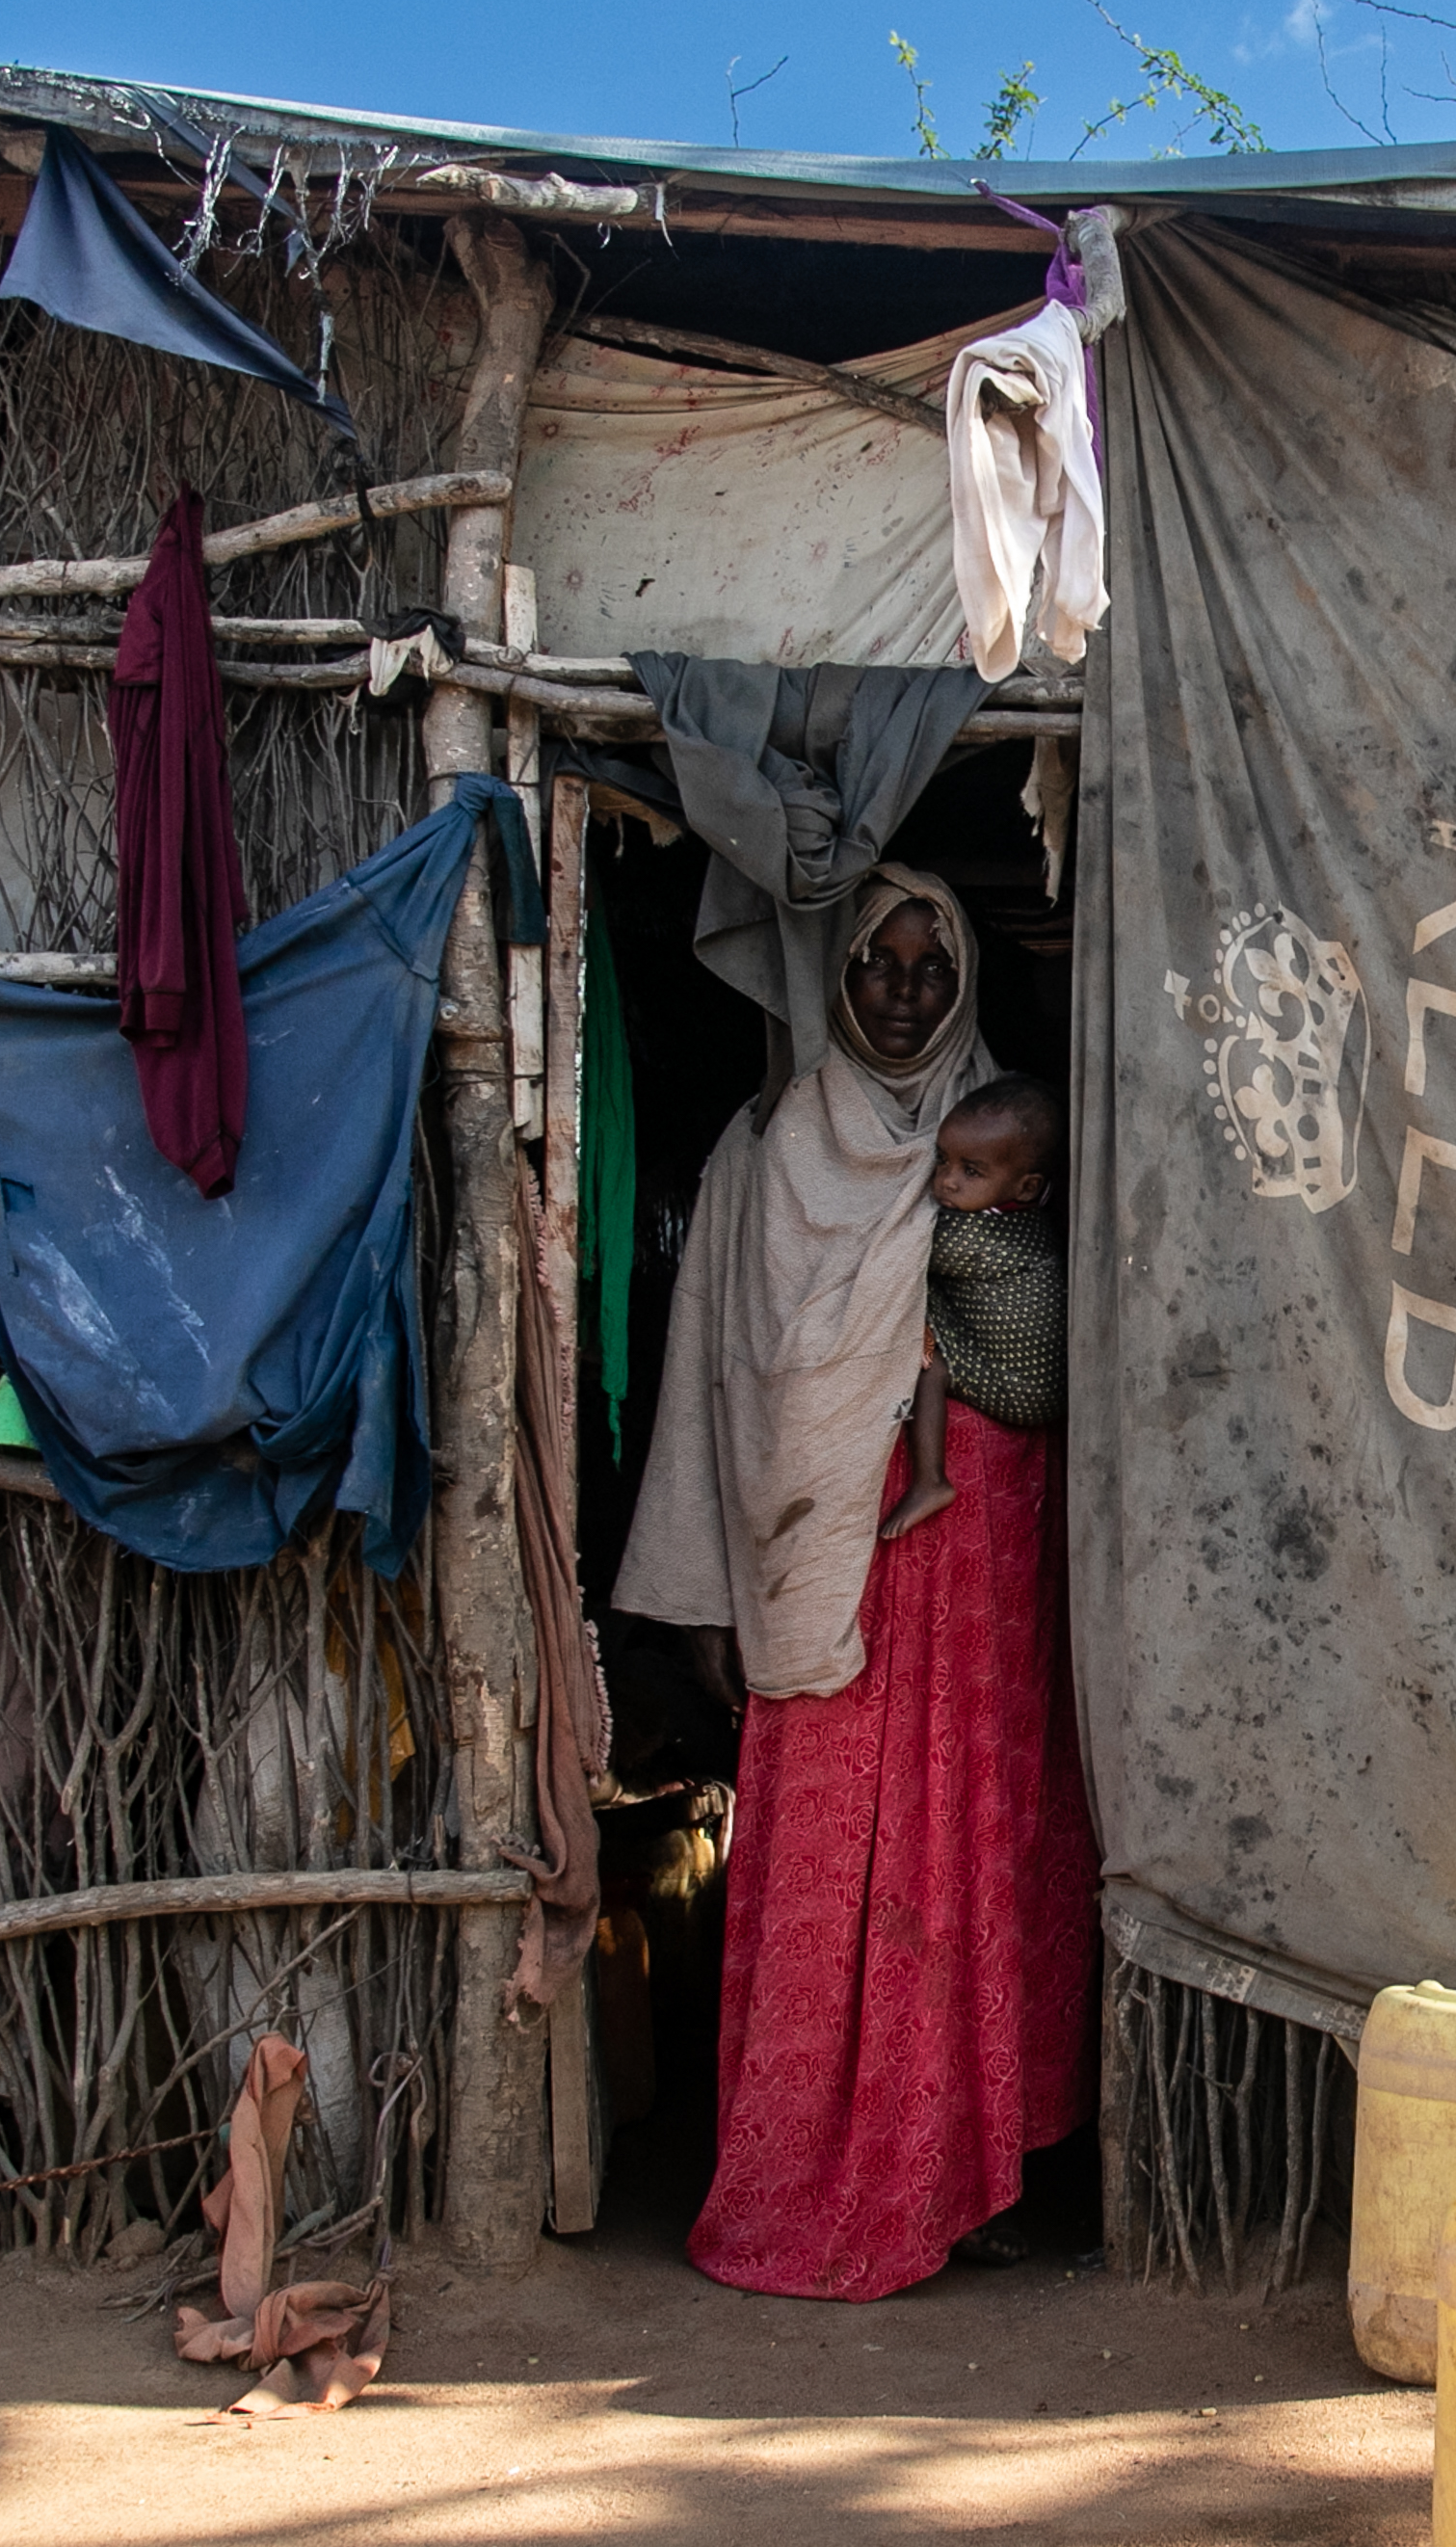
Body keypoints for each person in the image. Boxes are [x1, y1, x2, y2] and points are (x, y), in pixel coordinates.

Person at [614, 866, 1097, 2300]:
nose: (903, 990)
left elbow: (1057, 1357)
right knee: (828, 1867)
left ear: (964, 984)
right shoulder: (769, 1151)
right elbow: (714, 1381)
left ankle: (972, 2178)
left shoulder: (1014, 1133)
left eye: (929, 968)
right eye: (878, 966)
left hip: (989, 1564)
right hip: (825, 1569)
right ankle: (803, 2181)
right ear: (834, 978)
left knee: (976, 1855)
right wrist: (703, 1593)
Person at [885, 1075, 1065, 1542]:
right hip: (1029, 1376)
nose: (946, 1180)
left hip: (1022, 1388)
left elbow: (901, 1251)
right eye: (942, 1160)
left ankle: (930, 1481)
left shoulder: (971, 1237)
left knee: (931, 1367)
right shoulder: (1023, 1217)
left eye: (972, 1171)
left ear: (1025, 1188)